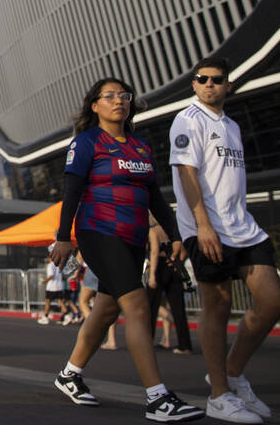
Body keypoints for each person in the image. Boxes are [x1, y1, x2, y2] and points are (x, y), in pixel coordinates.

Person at [50, 77, 203, 422]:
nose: (119, 101)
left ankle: (69, 375)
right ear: (95, 105)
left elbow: (154, 198)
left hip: (133, 237)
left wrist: (175, 235)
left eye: (124, 96)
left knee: (105, 310)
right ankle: (158, 399)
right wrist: (64, 237)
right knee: (136, 305)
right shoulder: (87, 142)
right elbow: (72, 191)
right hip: (98, 232)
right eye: (110, 96)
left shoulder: (140, 146)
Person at [171, 58, 280, 423]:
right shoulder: (188, 119)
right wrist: (203, 225)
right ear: (194, 84)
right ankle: (219, 395)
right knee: (217, 307)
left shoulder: (232, 126)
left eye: (216, 80)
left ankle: (232, 372)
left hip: (244, 228)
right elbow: (187, 174)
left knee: (274, 300)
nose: (209, 85)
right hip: (208, 229)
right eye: (201, 79)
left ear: (228, 86)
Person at [147, 214, 191, 354]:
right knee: (178, 309)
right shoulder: (173, 231)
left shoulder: (154, 231)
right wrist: (176, 261)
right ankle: (184, 345)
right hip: (173, 267)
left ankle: (147, 342)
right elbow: (183, 252)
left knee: (151, 308)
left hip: (159, 267)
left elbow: (154, 252)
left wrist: (152, 276)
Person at [78, 263, 117, 350]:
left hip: (94, 267)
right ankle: (111, 341)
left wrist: (75, 273)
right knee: (110, 306)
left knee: (83, 301)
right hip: (111, 268)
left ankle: (94, 329)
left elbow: (79, 258)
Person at [39, 258, 73, 325]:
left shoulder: (50, 265)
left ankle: (45, 317)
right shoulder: (59, 265)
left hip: (52, 287)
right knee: (60, 301)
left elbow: (51, 276)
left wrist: (44, 281)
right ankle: (67, 315)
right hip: (59, 286)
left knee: (48, 301)